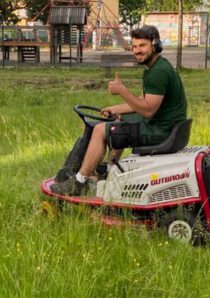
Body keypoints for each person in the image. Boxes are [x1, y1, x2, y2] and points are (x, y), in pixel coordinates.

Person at [51, 25, 188, 196]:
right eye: (134, 46)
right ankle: (109, 173)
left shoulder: (158, 73)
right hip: (166, 126)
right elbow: (144, 102)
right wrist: (116, 109)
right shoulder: (157, 67)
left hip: (160, 131)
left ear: (155, 45)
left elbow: (148, 111)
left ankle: (78, 182)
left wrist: (122, 90)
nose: (137, 51)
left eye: (142, 46)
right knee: (119, 121)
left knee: (100, 130)